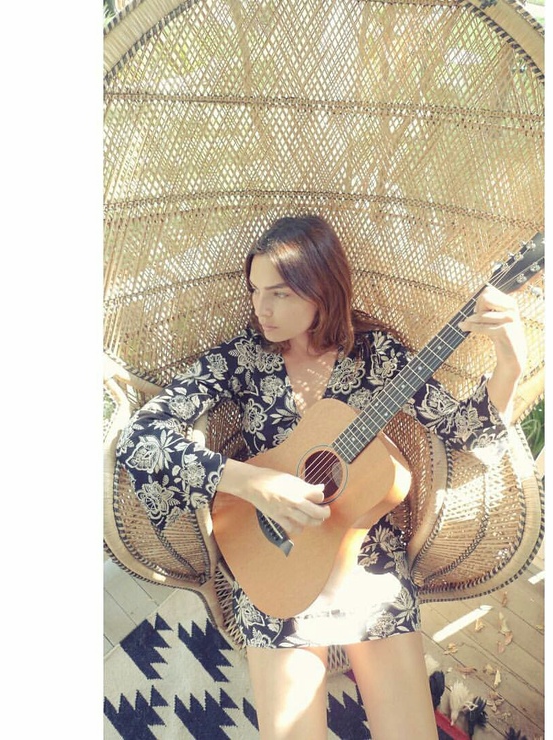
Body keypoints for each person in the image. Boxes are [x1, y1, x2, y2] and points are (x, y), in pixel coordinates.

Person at [116, 214, 527, 739]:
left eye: (280, 294)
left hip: (368, 558)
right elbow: (141, 438)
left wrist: (510, 365)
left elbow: (469, 434)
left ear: (323, 291)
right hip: (273, 556)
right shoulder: (243, 357)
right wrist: (250, 483)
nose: (262, 308)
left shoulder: (376, 356)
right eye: (255, 290)